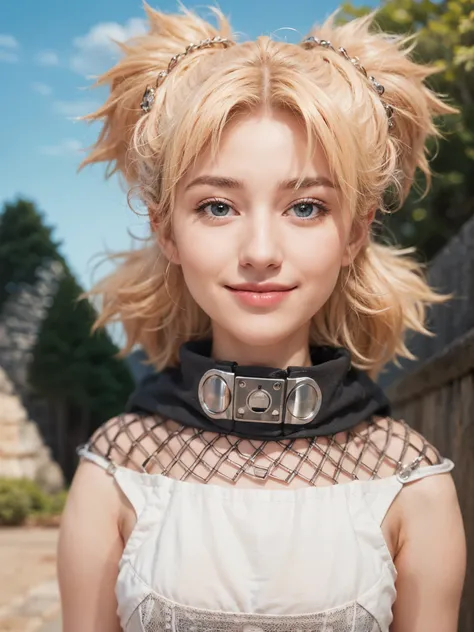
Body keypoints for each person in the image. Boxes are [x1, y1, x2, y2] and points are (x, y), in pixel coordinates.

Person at [57, 4, 467, 631]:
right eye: (217, 206)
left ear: (354, 234)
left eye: (305, 207)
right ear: (167, 232)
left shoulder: (413, 484)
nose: (260, 252)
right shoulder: (114, 472)